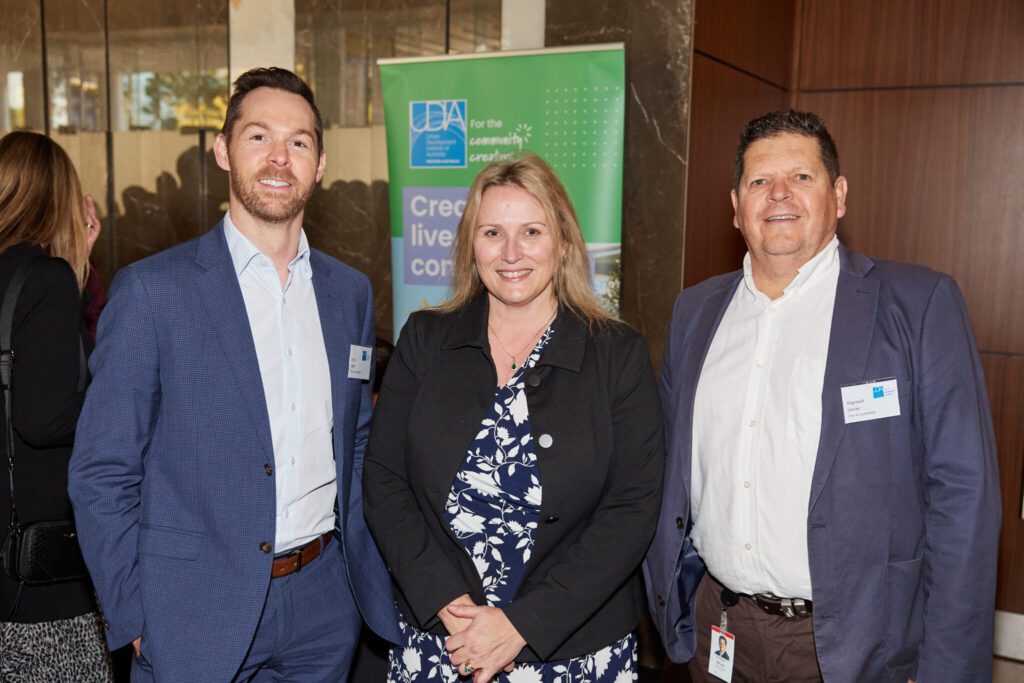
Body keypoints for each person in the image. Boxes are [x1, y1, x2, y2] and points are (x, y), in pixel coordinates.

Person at [644, 109, 1001, 683]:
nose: (778, 194)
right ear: (736, 206)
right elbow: (667, 472)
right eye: (759, 181)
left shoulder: (917, 305)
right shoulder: (695, 312)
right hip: (719, 630)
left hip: (858, 645)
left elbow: (964, 497)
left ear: (838, 196)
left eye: (802, 177)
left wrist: (946, 667)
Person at [68, 67, 399, 681]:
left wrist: (355, 585)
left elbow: (354, 442)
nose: (279, 158)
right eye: (258, 137)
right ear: (223, 150)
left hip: (325, 607)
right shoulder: (153, 292)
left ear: (321, 164)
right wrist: (132, 613)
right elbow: (102, 470)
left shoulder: (348, 294)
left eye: (299, 142)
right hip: (192, 612)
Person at [364, 153, 664, 683]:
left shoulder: (617, 354)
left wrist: (522, 624)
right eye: (492, 233)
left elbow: (632, 507)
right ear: (471, 245)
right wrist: (450, 606)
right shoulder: (425, 340)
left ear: (563, 243)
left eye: (531, 232)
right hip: (442, 639)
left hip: (572, 649)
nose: (510, 253)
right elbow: (384, 480)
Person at [0, 131, 111, 680]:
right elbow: (44, 418)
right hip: (36, 578)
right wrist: (118, 405)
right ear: (57, 197)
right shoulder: (45, 279)